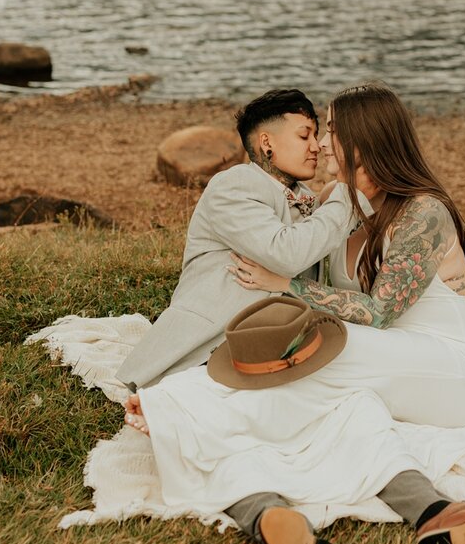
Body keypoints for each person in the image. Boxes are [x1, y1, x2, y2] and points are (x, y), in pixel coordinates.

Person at [128, 84, 465, 544]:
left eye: (332, 130)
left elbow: (381, 312)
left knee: (313, 351)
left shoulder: (424, 210)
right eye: (315, 132)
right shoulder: (339, 205)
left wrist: (288, 287)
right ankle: (434, 517)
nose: (322, 142)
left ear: (363, 139)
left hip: (445, 365)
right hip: (388, 359)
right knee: (336, 411)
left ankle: (180, 400)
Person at [116, 89, 359, 391]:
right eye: (304, 136)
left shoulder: (309, 199)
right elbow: (287, 254)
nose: (316, 147)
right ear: (267, 142)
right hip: (212, 340)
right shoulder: (234, 185)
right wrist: (347, 194)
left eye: (316, 136)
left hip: (281, 343)